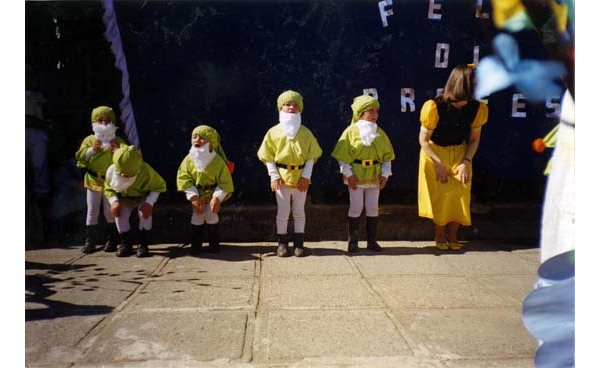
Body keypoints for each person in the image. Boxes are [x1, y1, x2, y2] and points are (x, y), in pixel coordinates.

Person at [417, 64, 488, 251]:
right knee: (441, 195)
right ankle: (440, 233)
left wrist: (466, 162)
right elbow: (423, 140)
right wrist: (438, 163)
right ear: (463, 83)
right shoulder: (434, 106)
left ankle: (454, 234)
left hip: (460, 152)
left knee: (460, 193)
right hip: (435, 153)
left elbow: (474, 140)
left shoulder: (477, 108)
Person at [257, 90, 322, 257]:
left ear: (300, 108)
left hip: (300, 178)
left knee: (299, 211)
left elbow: (311, 156)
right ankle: (282, 243)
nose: (291, 107)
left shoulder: (306, 133)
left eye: (295, 105)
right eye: (287, 104)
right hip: (282, 179)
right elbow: (268, 156)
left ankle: (299, 243)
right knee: (283, 211)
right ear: (281, 108)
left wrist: (306, 177)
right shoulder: (273, 132)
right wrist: (274, 175)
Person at [331, 94, 395, 253]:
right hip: (356, 176)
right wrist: (349, 175)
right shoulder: (350, 132)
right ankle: (353, 242)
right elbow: (342, 157)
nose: (374, 114)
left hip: (374, 175)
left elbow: (387, 156)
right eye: (370, 111)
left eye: (376, 111)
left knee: (373, 207)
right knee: (356, 206)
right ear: (360, 113)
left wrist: (385, 174)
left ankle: (372, 241)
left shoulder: (380, 133)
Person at [75, 106, 127, 254]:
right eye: (100, 120)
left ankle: (112, 240)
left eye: (108, 120)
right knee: (92, 210)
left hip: (111, 181)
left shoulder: (116, 140)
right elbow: (80, 157)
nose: (104, 124)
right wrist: (91, 150)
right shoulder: (90, 140)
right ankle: (90, 241)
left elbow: (127, 155)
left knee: (109, 211)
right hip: (93, 180)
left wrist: (117, 150)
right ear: (94, 122)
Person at [176, 125, 234, 254]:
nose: (197, 140)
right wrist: (193, 197)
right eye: (194, 137)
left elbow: (225, 181)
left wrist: (217, 198)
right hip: (197, 194)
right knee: (197, 216)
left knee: (211, 215)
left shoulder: (218, 162)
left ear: (210, 142)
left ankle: (214, 244)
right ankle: (195, 245)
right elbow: (184, 178)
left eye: (202, 138)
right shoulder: (188, 160)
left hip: (213, 194)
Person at [104, 145, 166, 257]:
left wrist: (149, 203)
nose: (127, 177)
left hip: (142, 196)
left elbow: (159, 186)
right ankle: (126, 244)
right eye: (124, 175)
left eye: (131, 175)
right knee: (120, 214)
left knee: (145, 214)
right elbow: (108, 188)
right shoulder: (111, 171)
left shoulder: (146, 170)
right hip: (124, 197)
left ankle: (143, 244)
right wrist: (114, 201)